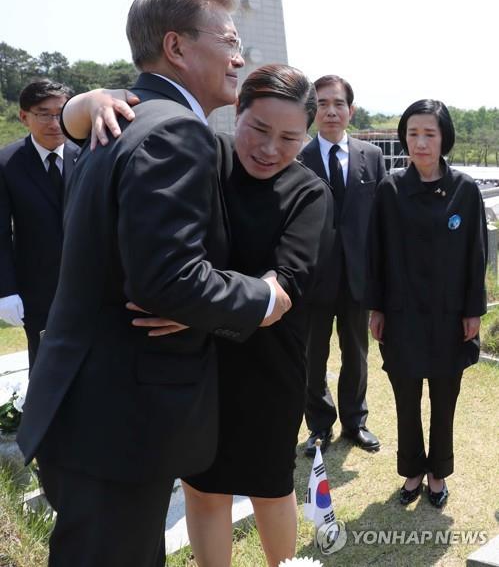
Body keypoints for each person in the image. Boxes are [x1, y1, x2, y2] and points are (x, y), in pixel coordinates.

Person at [16, 0, 291, 567]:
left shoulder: (117, 118)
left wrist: (74, 109)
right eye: (229, 39)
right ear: (177, 46)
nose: (241, 56)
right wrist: (263, 297)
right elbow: (168, 279)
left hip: (88, 410)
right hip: (121, 420)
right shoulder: (174, 129)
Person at [60, 64, 334, 567]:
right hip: (193, 364)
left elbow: (284, 288)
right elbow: (76, 122)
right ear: (237, 114)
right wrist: (90, 101)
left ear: (307, 137)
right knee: (203, 488)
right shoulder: (202, 154)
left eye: (290, 137)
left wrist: (195, 310)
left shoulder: (309, 193)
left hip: (268, 363)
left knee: (271, 486)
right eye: (258, 129)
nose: (270, 148)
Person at [367, 99, 487, 507]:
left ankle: (438, 474)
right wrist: (377, 307)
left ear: (443, 138)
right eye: (413, 133)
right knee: (405, 397)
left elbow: (476, 255)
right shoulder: (391, 188)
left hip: (449, 316)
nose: (420, 142)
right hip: (401, 314)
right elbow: (377, 253)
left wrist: (473, 310)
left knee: (444, 397)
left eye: (429, 134)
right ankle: (412, 470)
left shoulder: (465, 190)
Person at [301, 75, 385, 456]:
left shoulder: (372, 156)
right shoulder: (299, 158)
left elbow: (382, 221)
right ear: (312, 110)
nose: (330, 111)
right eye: (322, 103)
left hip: (357, 277)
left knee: (356, 352)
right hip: (313, 277)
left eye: (338, 104)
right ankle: (318, 425)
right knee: (312, 355)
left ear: (351, 110)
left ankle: (355, 422)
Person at [0, 80, 78, 370]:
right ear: (24, 117)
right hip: (37, 290)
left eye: (61, 112)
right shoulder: (7, 163)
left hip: (92, 284)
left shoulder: (90, 154)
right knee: (46, 368)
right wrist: (5, 291)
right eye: (44, 114)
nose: (55, 123)